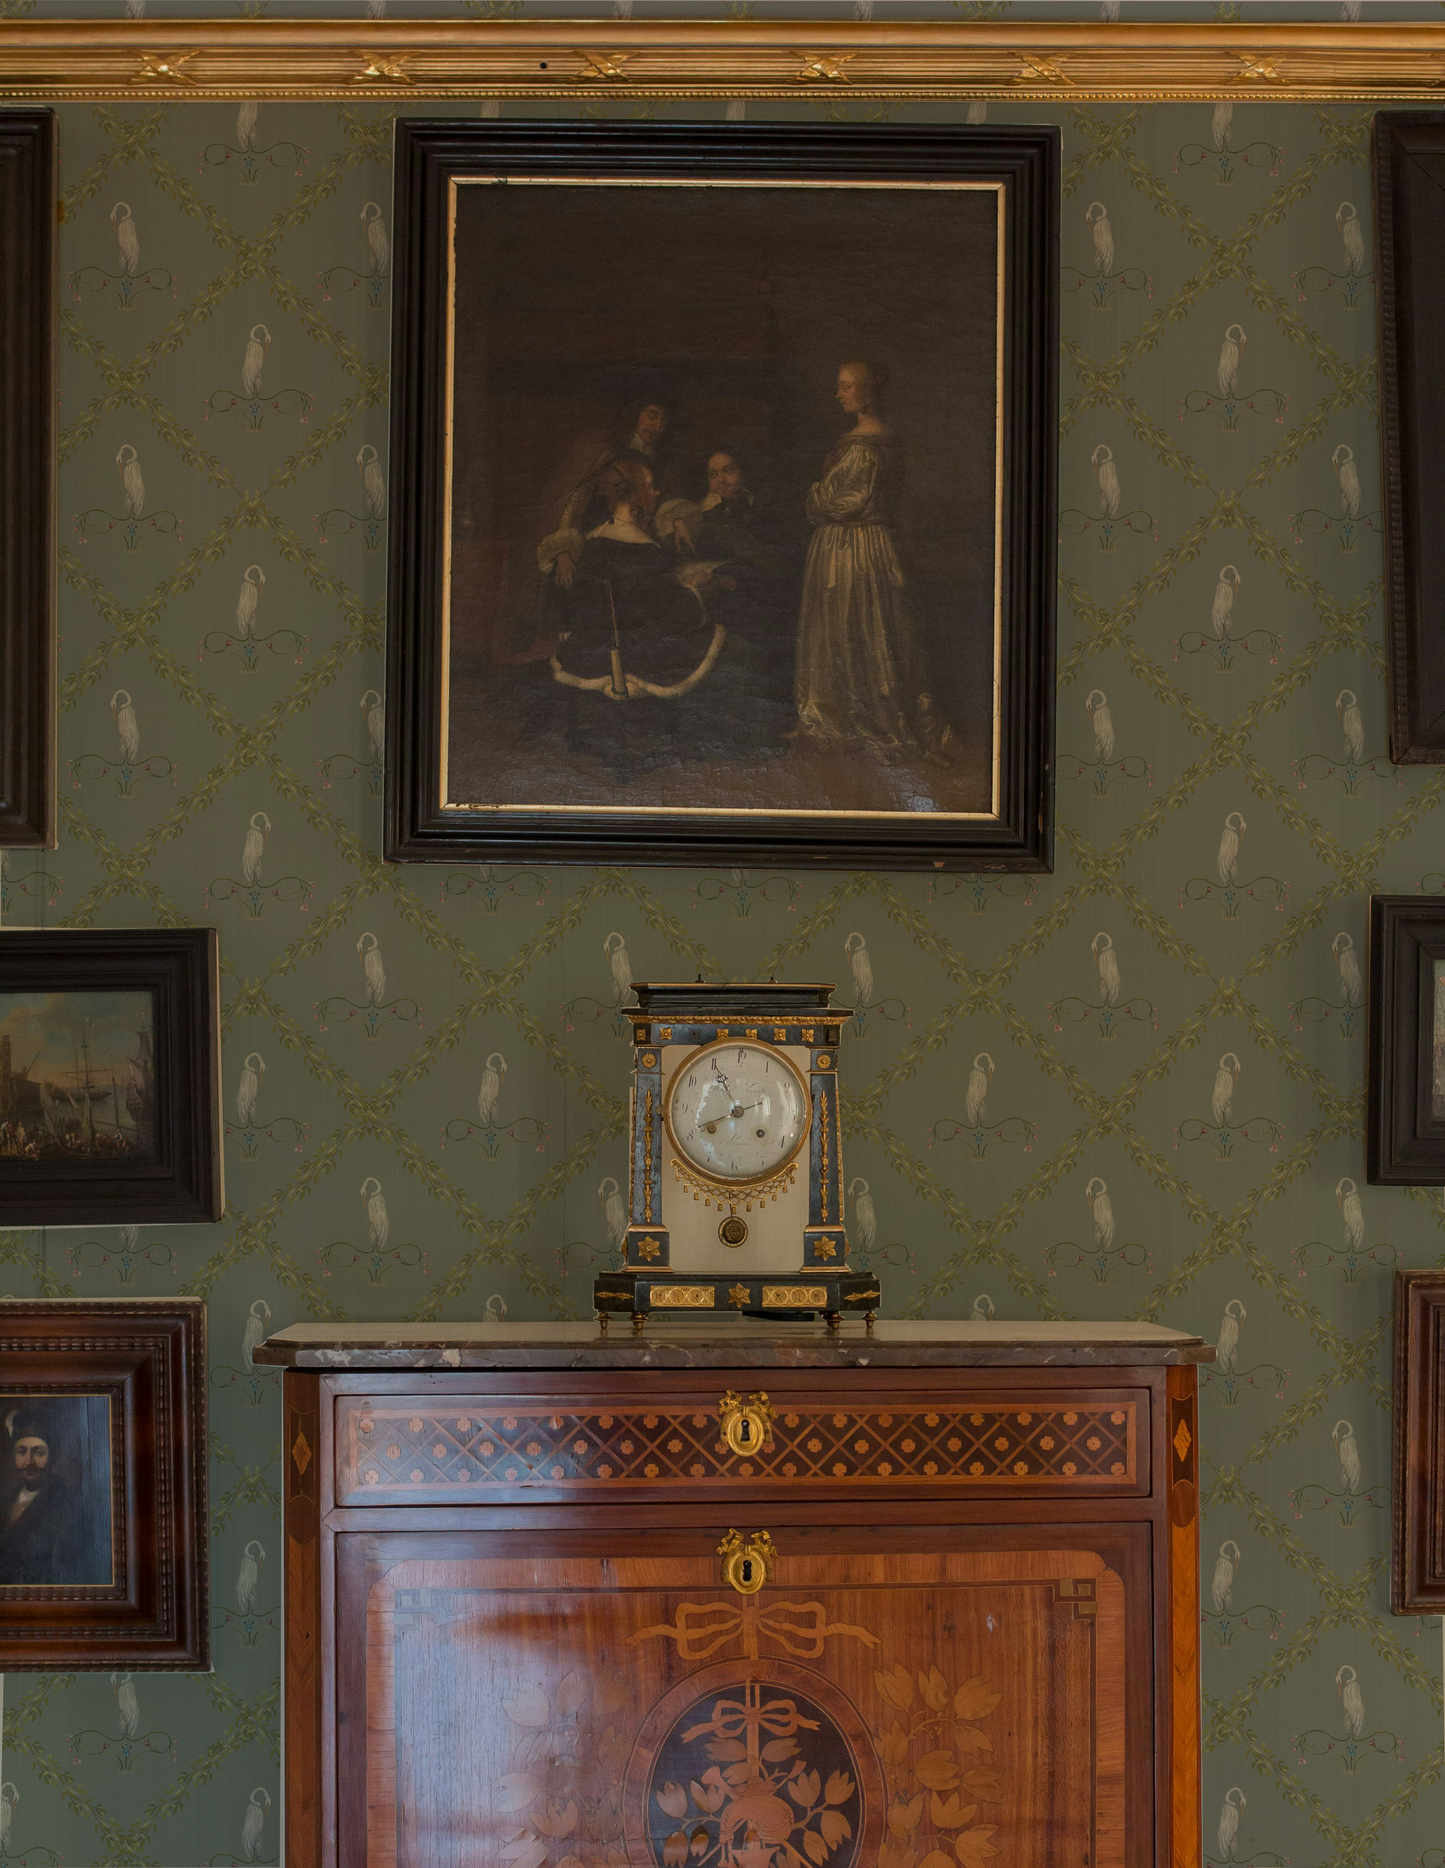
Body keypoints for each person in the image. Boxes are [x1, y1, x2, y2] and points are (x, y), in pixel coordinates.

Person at [794, 359, 949, 757]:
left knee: (852, 627)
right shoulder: (889, 441)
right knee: (873, 628)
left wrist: (815, 489)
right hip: (879, 546)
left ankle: (852, 718)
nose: (838, 393)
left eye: (846, 386)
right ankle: (861, 713)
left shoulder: (860, 447)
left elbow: (828, 503)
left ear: (866, 392)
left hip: (848, 549)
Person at [0, 1404, 111, 1587]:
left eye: (39, 1452)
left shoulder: (68, 1505)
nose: (29, 1461)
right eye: (22, 1452)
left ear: (51, 1456)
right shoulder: (5, 1501)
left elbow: (64, 1574)